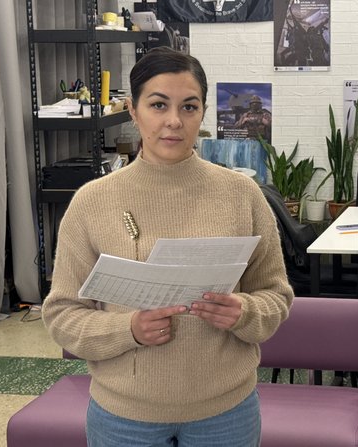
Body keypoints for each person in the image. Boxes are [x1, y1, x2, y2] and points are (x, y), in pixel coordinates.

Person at [42, 46, 294, 446]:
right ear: (133, 109)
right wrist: (128, 329)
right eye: (158, 105)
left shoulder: (242, 194)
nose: (174, 121)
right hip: (124, 417)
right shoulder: (92, 201)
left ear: (203, 112)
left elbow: (276, 296)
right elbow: (61, 315)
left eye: (189, 107)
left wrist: (244, 312)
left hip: (226, 413)